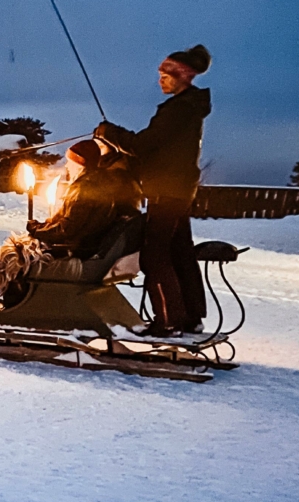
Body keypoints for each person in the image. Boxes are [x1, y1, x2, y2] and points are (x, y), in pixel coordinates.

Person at [95, 44, 213, 335]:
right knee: (179, 251)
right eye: (160, 74)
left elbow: (144, 146)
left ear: (182, 77)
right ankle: (191, 317)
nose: (160, 80)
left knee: (154, 255)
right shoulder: (187, 108)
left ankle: (169, 321)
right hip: (179, 190)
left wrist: (108, 133)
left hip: (168, 192)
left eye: (166, 75)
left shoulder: (179, 109)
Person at [28, 139, 143, 259]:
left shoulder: (84, 190)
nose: (66, 166)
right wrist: (43, 226)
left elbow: (66, 230)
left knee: (18, 258)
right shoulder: (95, 183)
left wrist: (36, 231)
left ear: (80, 164)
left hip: (79, 251)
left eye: (69, 162)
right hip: (86, 246)